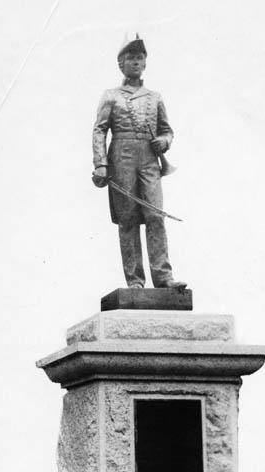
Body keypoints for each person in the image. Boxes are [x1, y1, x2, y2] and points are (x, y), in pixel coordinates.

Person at [92, 34, 186, 289]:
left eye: (140, 57)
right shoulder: (111, 95)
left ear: (145, 63)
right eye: (130, 57)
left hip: (149, 159)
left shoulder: (155, 97)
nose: (135, 61)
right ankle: (135, 281)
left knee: (155, 214)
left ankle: (164, 277)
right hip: (122, 156)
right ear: (121, 63)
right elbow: (100, 129)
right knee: (128, 218)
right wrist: (100, 164)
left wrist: (164, 142)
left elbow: (167, 130)